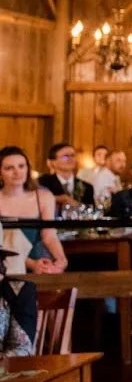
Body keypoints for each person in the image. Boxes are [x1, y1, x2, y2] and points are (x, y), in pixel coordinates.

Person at [0, 144, 66, 343]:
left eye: (21, 166)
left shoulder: (43, 196)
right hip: (5, 259)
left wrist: (61, 259)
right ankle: (22, 340)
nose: (17, 172)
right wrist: (31, 264)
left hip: (36, 252)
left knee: (52, 272)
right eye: (9, 168)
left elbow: (49, 235)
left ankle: (57, 343)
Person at [39, 141, 94, 209]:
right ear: (53, 162)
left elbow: (91, 211)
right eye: (65, 157)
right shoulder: (43, 183)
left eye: (73, 156)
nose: (70, 159)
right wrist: (58, 198)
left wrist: (76, 205)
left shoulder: (87, 187)